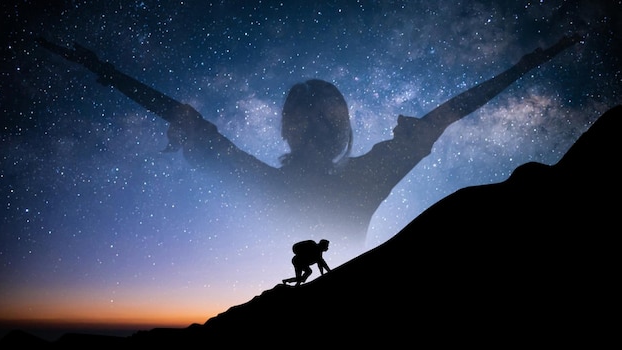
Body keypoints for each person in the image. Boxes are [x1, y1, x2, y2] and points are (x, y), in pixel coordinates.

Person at [36, 34, 582, 251]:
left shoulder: (364, 170)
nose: (314, 126)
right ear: (288, 127)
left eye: (322, 116)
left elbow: (450, 110)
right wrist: (101, 69)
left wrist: (524, 66)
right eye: (305, 117)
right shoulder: (371, 169)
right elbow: (449, 112)